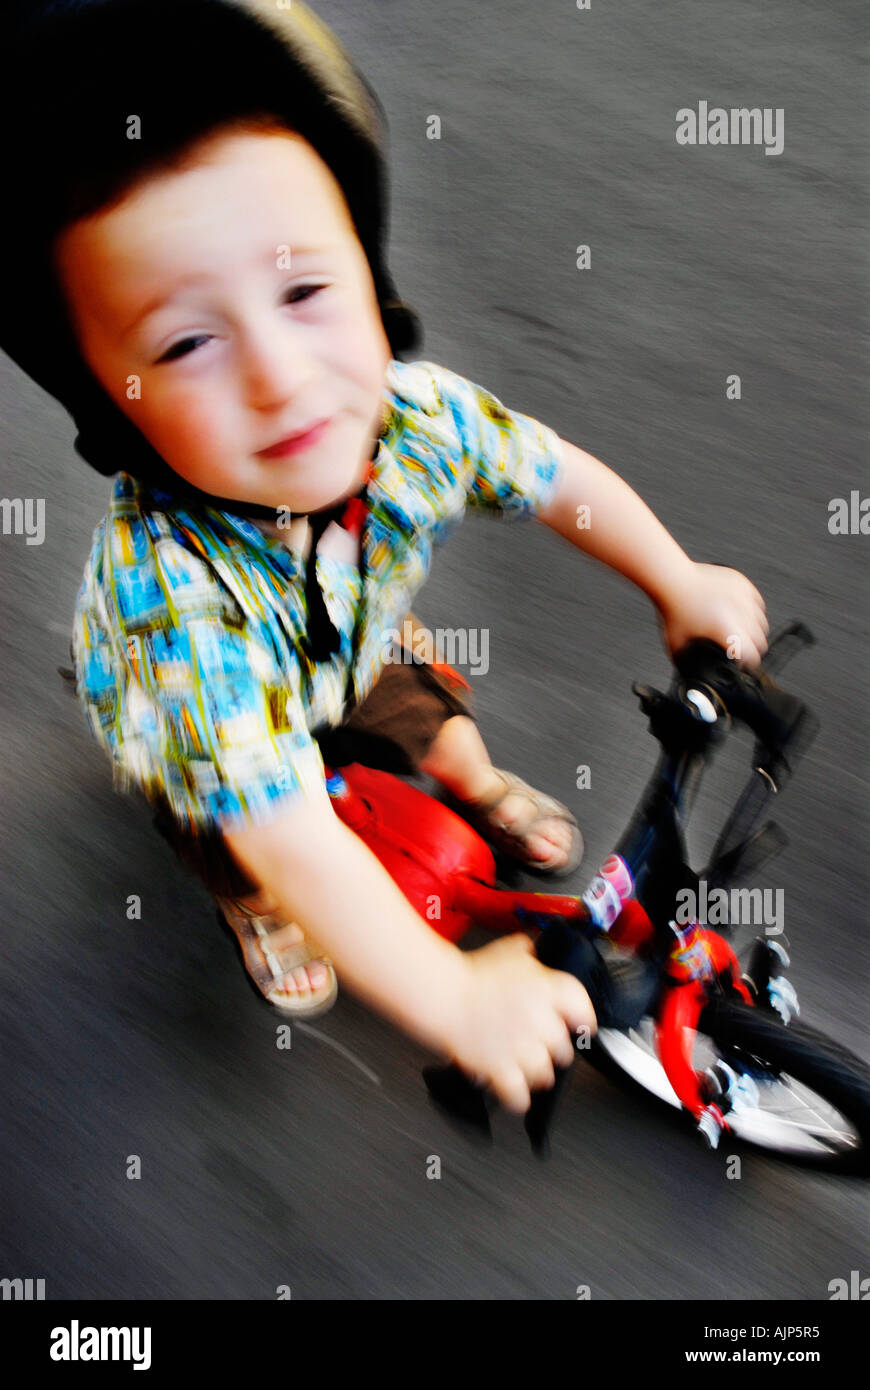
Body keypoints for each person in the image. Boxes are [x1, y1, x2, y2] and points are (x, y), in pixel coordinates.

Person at [1, 0, 768, 1115]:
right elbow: (287, 825)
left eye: (306, 290)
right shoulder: (171, 609)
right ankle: (254, 914)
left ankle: (472, 783)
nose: (281, 376)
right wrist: (455, 1001)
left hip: (351, 634)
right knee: (247, 841)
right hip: (211, 723)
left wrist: (678, 580)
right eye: (185, 342)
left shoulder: (415, 419)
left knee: (429, 718)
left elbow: (558, 478)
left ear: (370, 277)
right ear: (110, 407)